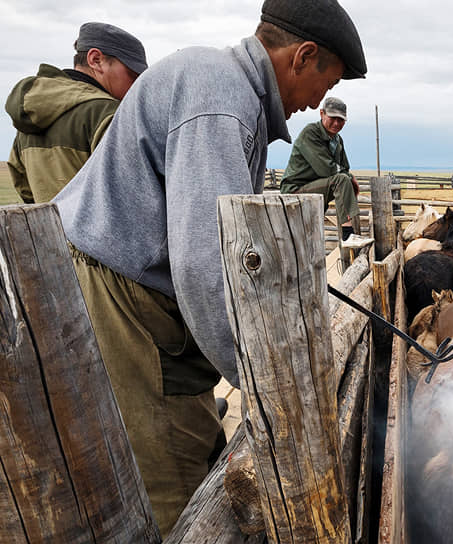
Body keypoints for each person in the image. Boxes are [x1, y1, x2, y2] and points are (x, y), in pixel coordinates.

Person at [51, 0, 366, 534]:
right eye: (325, 81)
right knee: (180, 481)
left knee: (189, 448)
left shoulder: (224, 86)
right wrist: (270, 391)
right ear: (303, 55)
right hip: (123, 294)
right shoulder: (221, 101)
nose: (318, 100)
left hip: (131, 286)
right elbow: (203, 266)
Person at [5, 22, 146, 204]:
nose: (138, 85)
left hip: (47, 231)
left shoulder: (29, 117)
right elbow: (132, 195)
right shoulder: (108, 113)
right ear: (96, 60)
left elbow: (24, 188)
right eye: (133, 75)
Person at [280, 95, 360, 240]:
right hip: (295, 190)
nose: (336, 123)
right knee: (341, 180)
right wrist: (350, 178)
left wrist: (348, 177)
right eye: (333, 118)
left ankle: (349, 233)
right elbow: (327, 169)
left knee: (343, 179)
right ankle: (348, 234)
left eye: (341, 119)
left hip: (314, 188)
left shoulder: (337, 139)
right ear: (322, 114)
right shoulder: (310, 133)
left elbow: (344, 167)